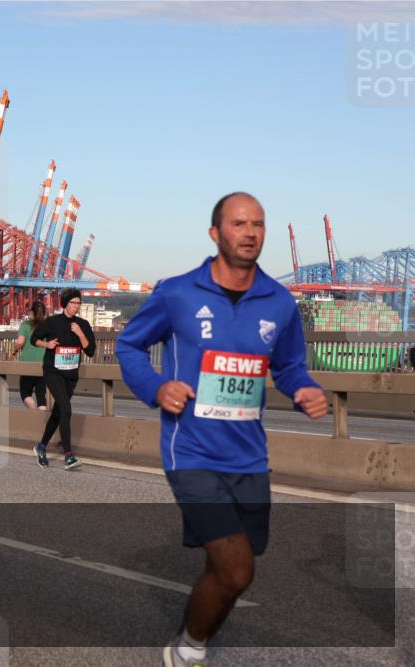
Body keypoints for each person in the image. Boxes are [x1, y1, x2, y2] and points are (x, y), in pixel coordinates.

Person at [115, 192, 328, 667]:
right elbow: (129, 346)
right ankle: (187, 650)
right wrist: (156, 386)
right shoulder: (177, 292)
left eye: (258, 224)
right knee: (236, 571)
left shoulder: (280, 301)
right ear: (216, 233)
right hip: (189, 451)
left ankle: (195, 632)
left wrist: (305, 389)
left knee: (230, 565)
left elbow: (290, 365)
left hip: (249, 456)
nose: (250, 232)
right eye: (238, 224)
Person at [29, 289, 96, 470]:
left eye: (78, 303)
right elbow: (33, 339)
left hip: (71, 375)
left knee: (59, 413)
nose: (76, 307)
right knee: (66, 409)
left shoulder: (83, 324)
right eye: (73, 303)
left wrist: (81, 334)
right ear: (65, 303)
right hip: (53, 372)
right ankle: (68, 456)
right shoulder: (52, 322)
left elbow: (90, 351)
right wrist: (47, 344)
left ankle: (41, 447)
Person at [12, 300, 48, 410]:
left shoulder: (25, 325)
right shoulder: (47, 325)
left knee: (25, 393)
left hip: (27, 365)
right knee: (41, 395)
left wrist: (15, 350)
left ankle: (33, 413)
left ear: (32, 312)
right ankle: (42, 417)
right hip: (43, 364)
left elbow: (20, 342)